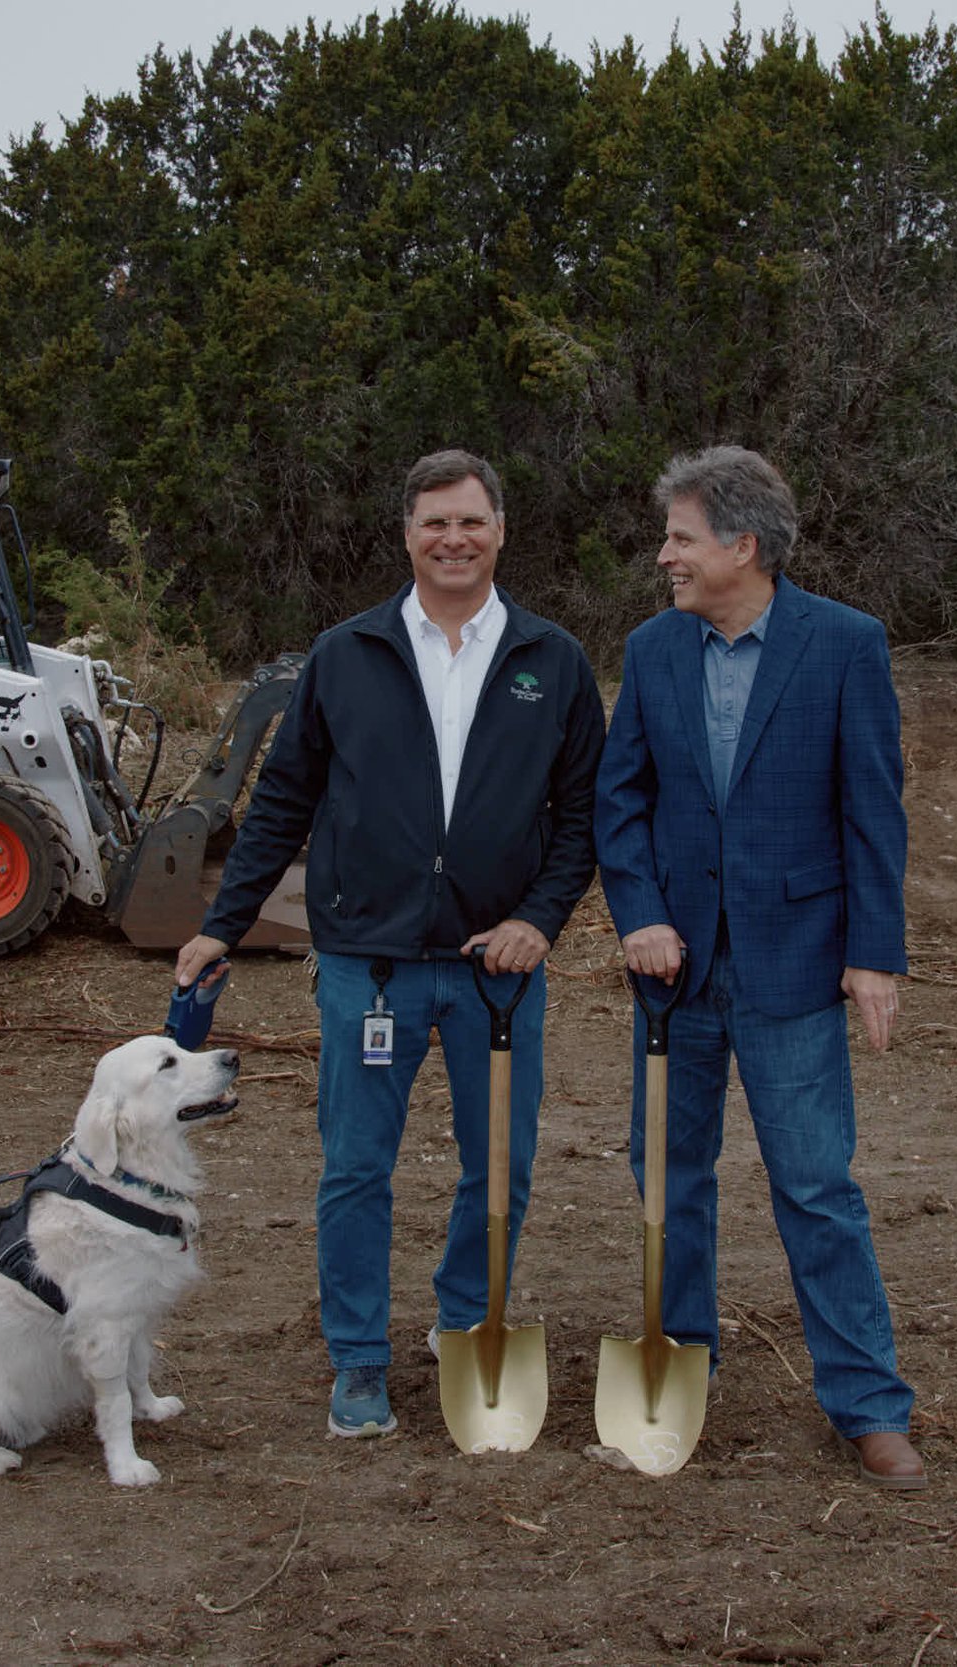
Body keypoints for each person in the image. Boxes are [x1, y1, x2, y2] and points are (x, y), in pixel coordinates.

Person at [174, 449, 605, 1439]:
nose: (452, 539)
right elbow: (280, 799)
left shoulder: (553, 659)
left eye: (470, 521)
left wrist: (538, 920)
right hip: (367, 971)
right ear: (406, 534)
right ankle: (359, 1359)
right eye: (433, 523)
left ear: (500, 530)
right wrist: (219, 924)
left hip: (495, 976)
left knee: (499, 1168)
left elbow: (581, 814)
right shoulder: (345, 653)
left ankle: (464, 1327)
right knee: (356, 1168)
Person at [592, 445, 926, 1488]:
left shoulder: (844, 645)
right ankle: (679, 1374)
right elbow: (622, 800)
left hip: (793, 967)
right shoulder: (652, 651)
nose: (664, 558)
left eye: (681, 539)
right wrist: (638, 914)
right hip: (672, 974)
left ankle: (868, 1406)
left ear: (743, 545)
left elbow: (873, 809)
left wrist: (873, 954)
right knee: (667, 1183)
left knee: (816, 1186)